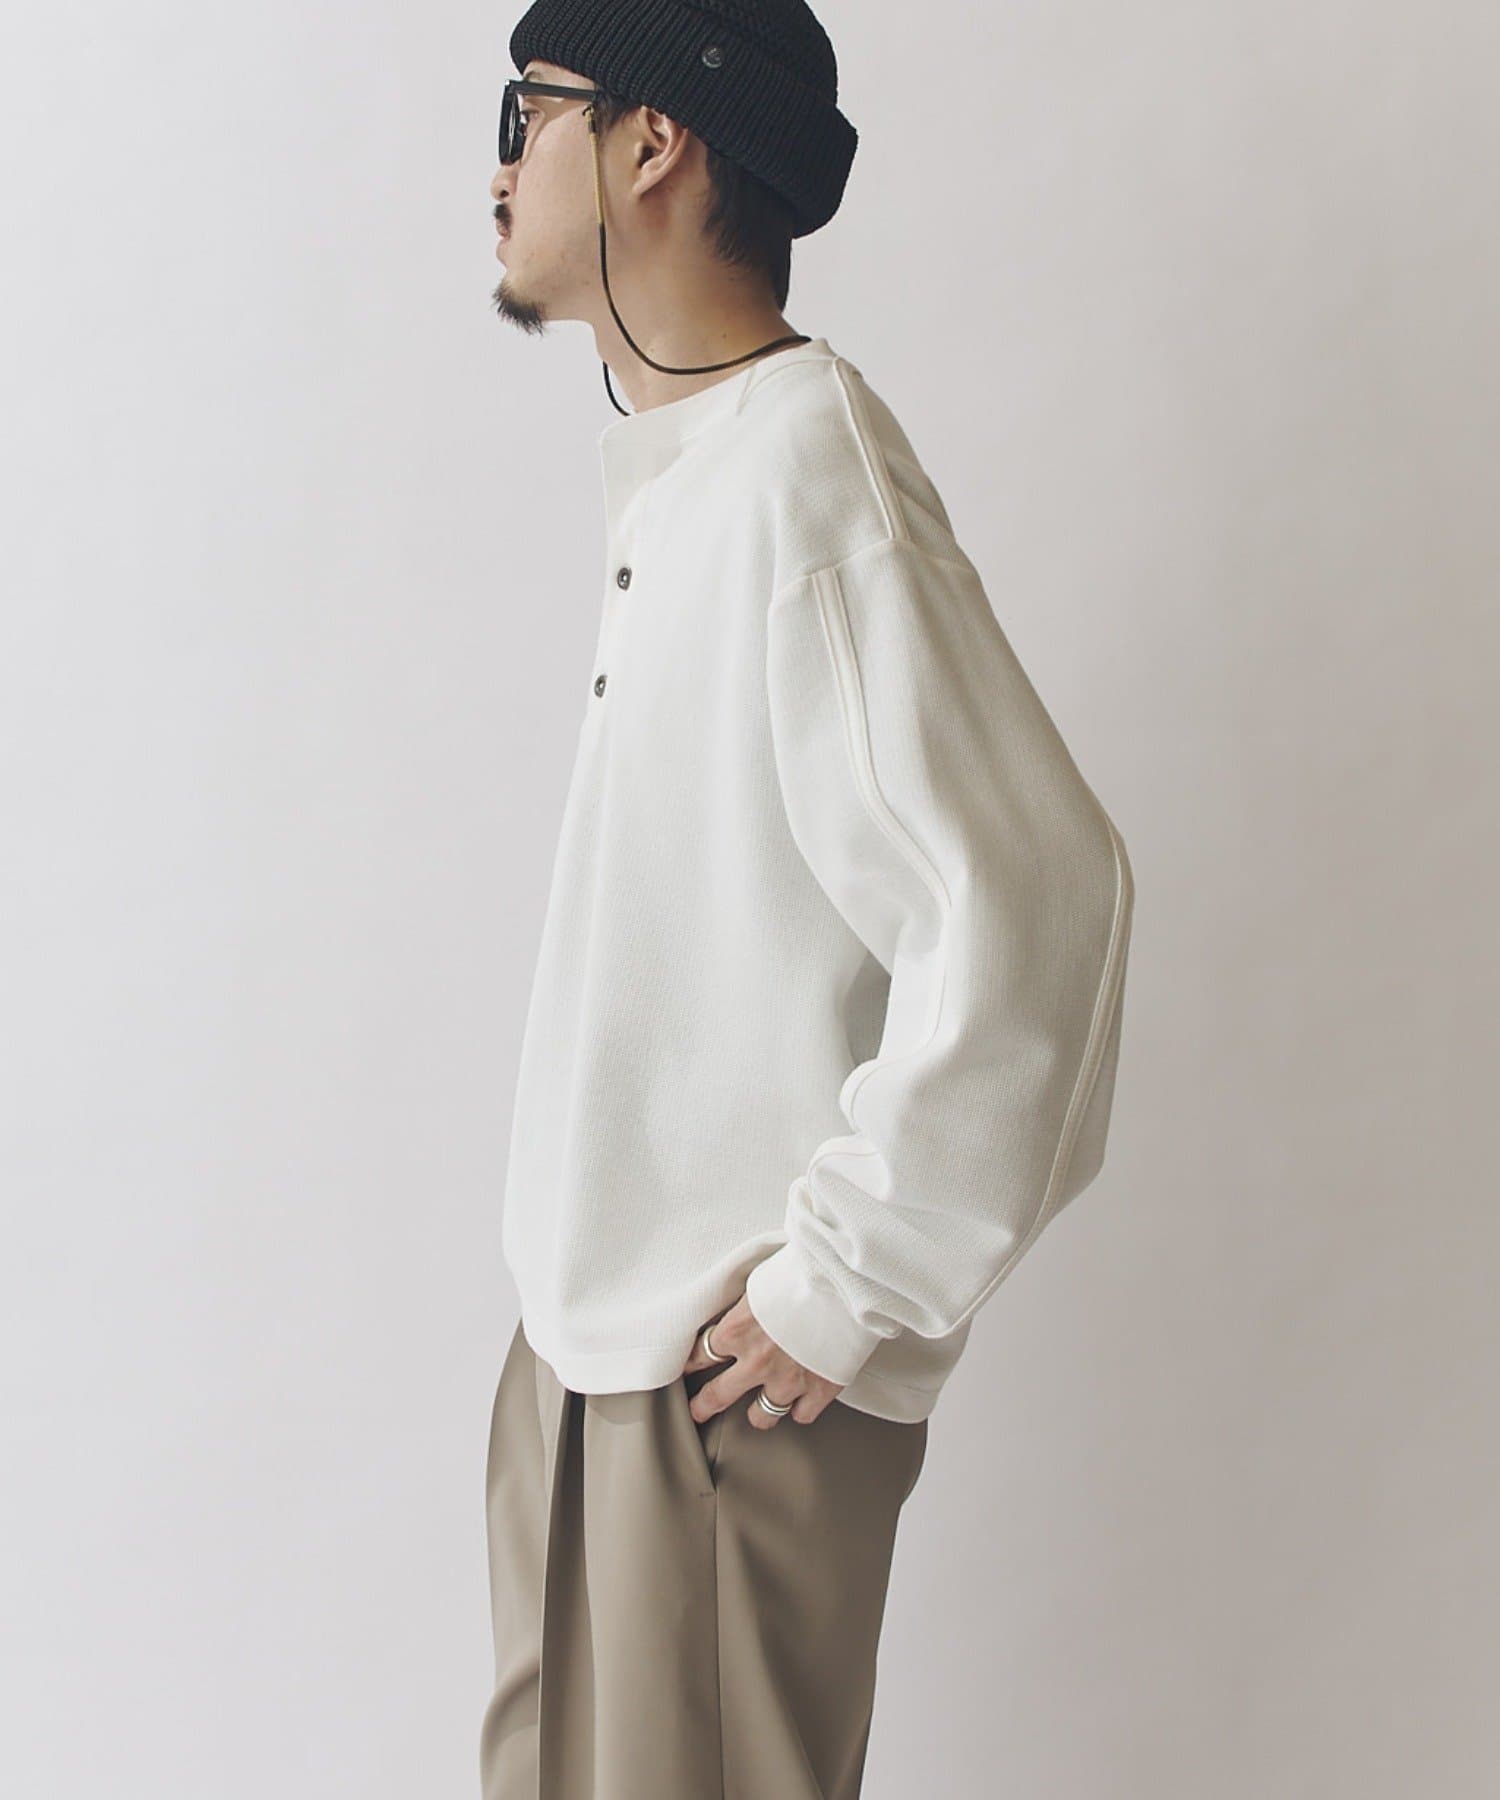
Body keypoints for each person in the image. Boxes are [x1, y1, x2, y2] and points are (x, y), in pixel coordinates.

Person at [479, 2, 1136, 1794]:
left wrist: (852, 1282)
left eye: (526, 114)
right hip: (597, 1353)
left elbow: (1044, 904)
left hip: (717, 1388)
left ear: (654, 141)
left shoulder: (805, 473)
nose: (497, 170)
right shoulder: (707, 471)